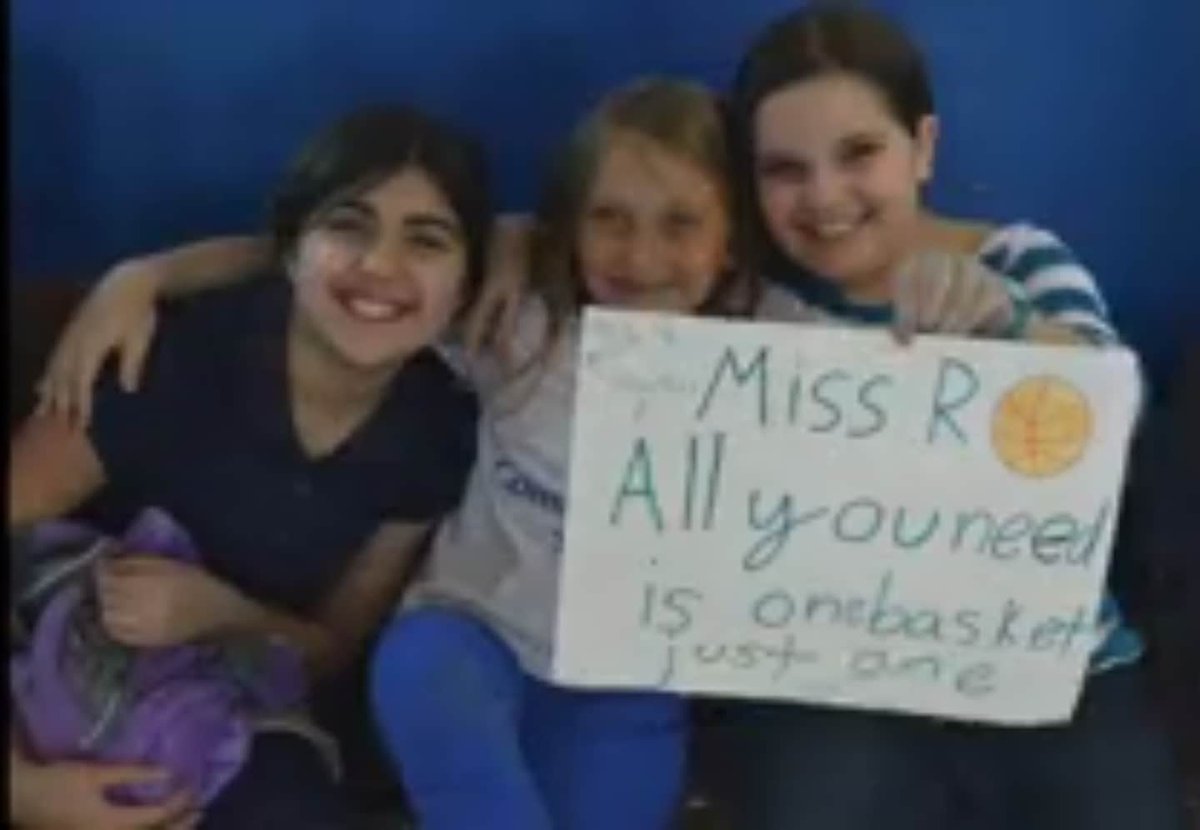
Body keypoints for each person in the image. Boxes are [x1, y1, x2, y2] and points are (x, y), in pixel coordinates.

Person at [31, 79, 1128, 830]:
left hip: (622, 678)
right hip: (469, 635)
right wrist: (146, 276)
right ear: (565, 227)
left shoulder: (786, 346)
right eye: (610, 219)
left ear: (731, 238)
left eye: (678, 224)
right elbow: (342, 269)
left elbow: (966, 415)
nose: (641, 256)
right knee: (426, 672)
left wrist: (993, 329)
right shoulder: (522, 316)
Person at [702, 6, 1188, 829]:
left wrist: (1015, 329)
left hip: (1053, 666)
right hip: (834, 669)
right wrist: (508, 242)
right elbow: (601, 251)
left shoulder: (1016, 262)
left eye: (860, 154)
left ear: (922, 148)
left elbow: (1119, 409)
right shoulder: (746, 298)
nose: (823, 196)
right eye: (785, 169)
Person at [9, 104, 486, 829]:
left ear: (463, 287)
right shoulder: (165, 357)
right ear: (292, 252)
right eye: (349, 227)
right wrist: (20, 788)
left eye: (426, 242)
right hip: (41, 684)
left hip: (228, 711)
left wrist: (220, 613)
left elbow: (327, 651)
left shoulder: (432, 431)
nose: (381, 266)